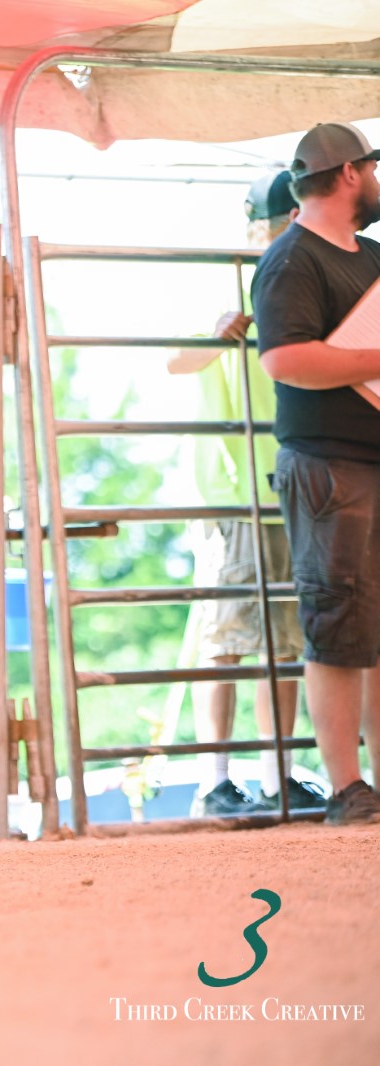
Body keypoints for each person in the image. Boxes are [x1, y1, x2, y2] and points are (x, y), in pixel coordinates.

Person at [168, 170, 319, 818]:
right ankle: (214, 779)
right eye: (270, 222)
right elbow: (174, 359)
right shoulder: (225, 281)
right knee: (225, 637)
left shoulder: (302, 285)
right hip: (230, 491)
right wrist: (216, 330)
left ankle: (276, 770)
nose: (273, 232)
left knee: (283, 640)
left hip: (286, 479)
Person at [252, 122, 380, 826]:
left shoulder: (368, 256)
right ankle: (345, 787)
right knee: (337, 622)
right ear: (352, 173)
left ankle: (366, 783)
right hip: (330, 463)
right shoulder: (292, 260)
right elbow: (286, 360)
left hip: (358, 462)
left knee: (369, 627)